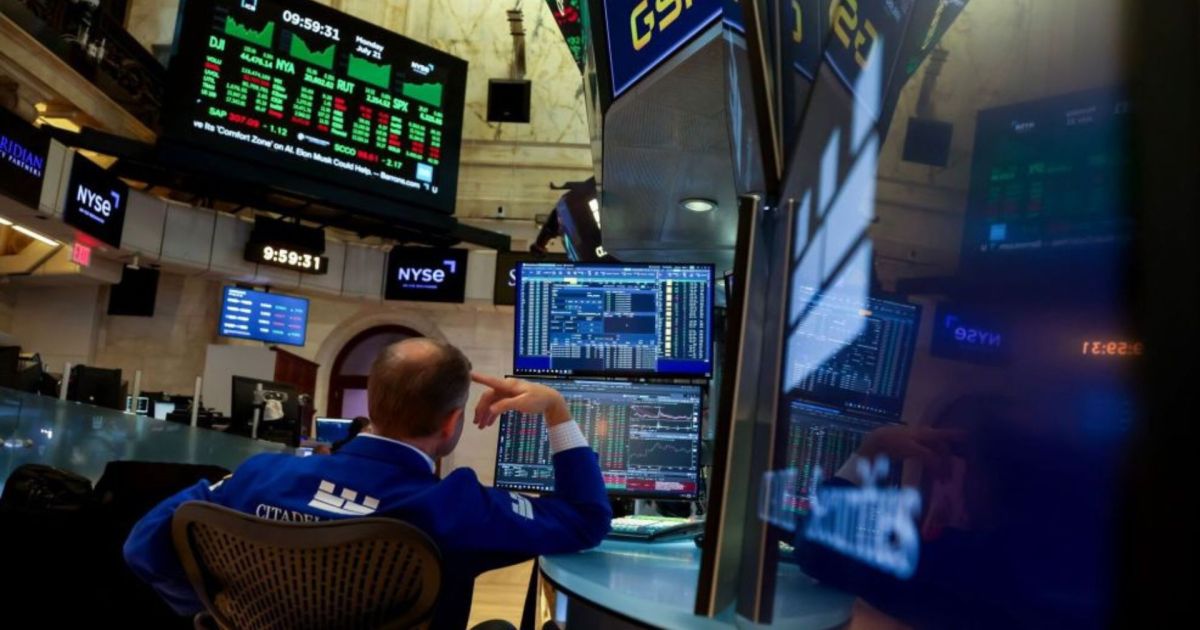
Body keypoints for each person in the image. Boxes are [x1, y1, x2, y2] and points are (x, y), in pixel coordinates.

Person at [123, 338, 612, 628]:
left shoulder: (260, 475)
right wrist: (556, 410)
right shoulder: (459, 507)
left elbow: (144, 546)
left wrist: (224, 612)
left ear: (371, 401)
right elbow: (586, 519)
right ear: (451, 423)